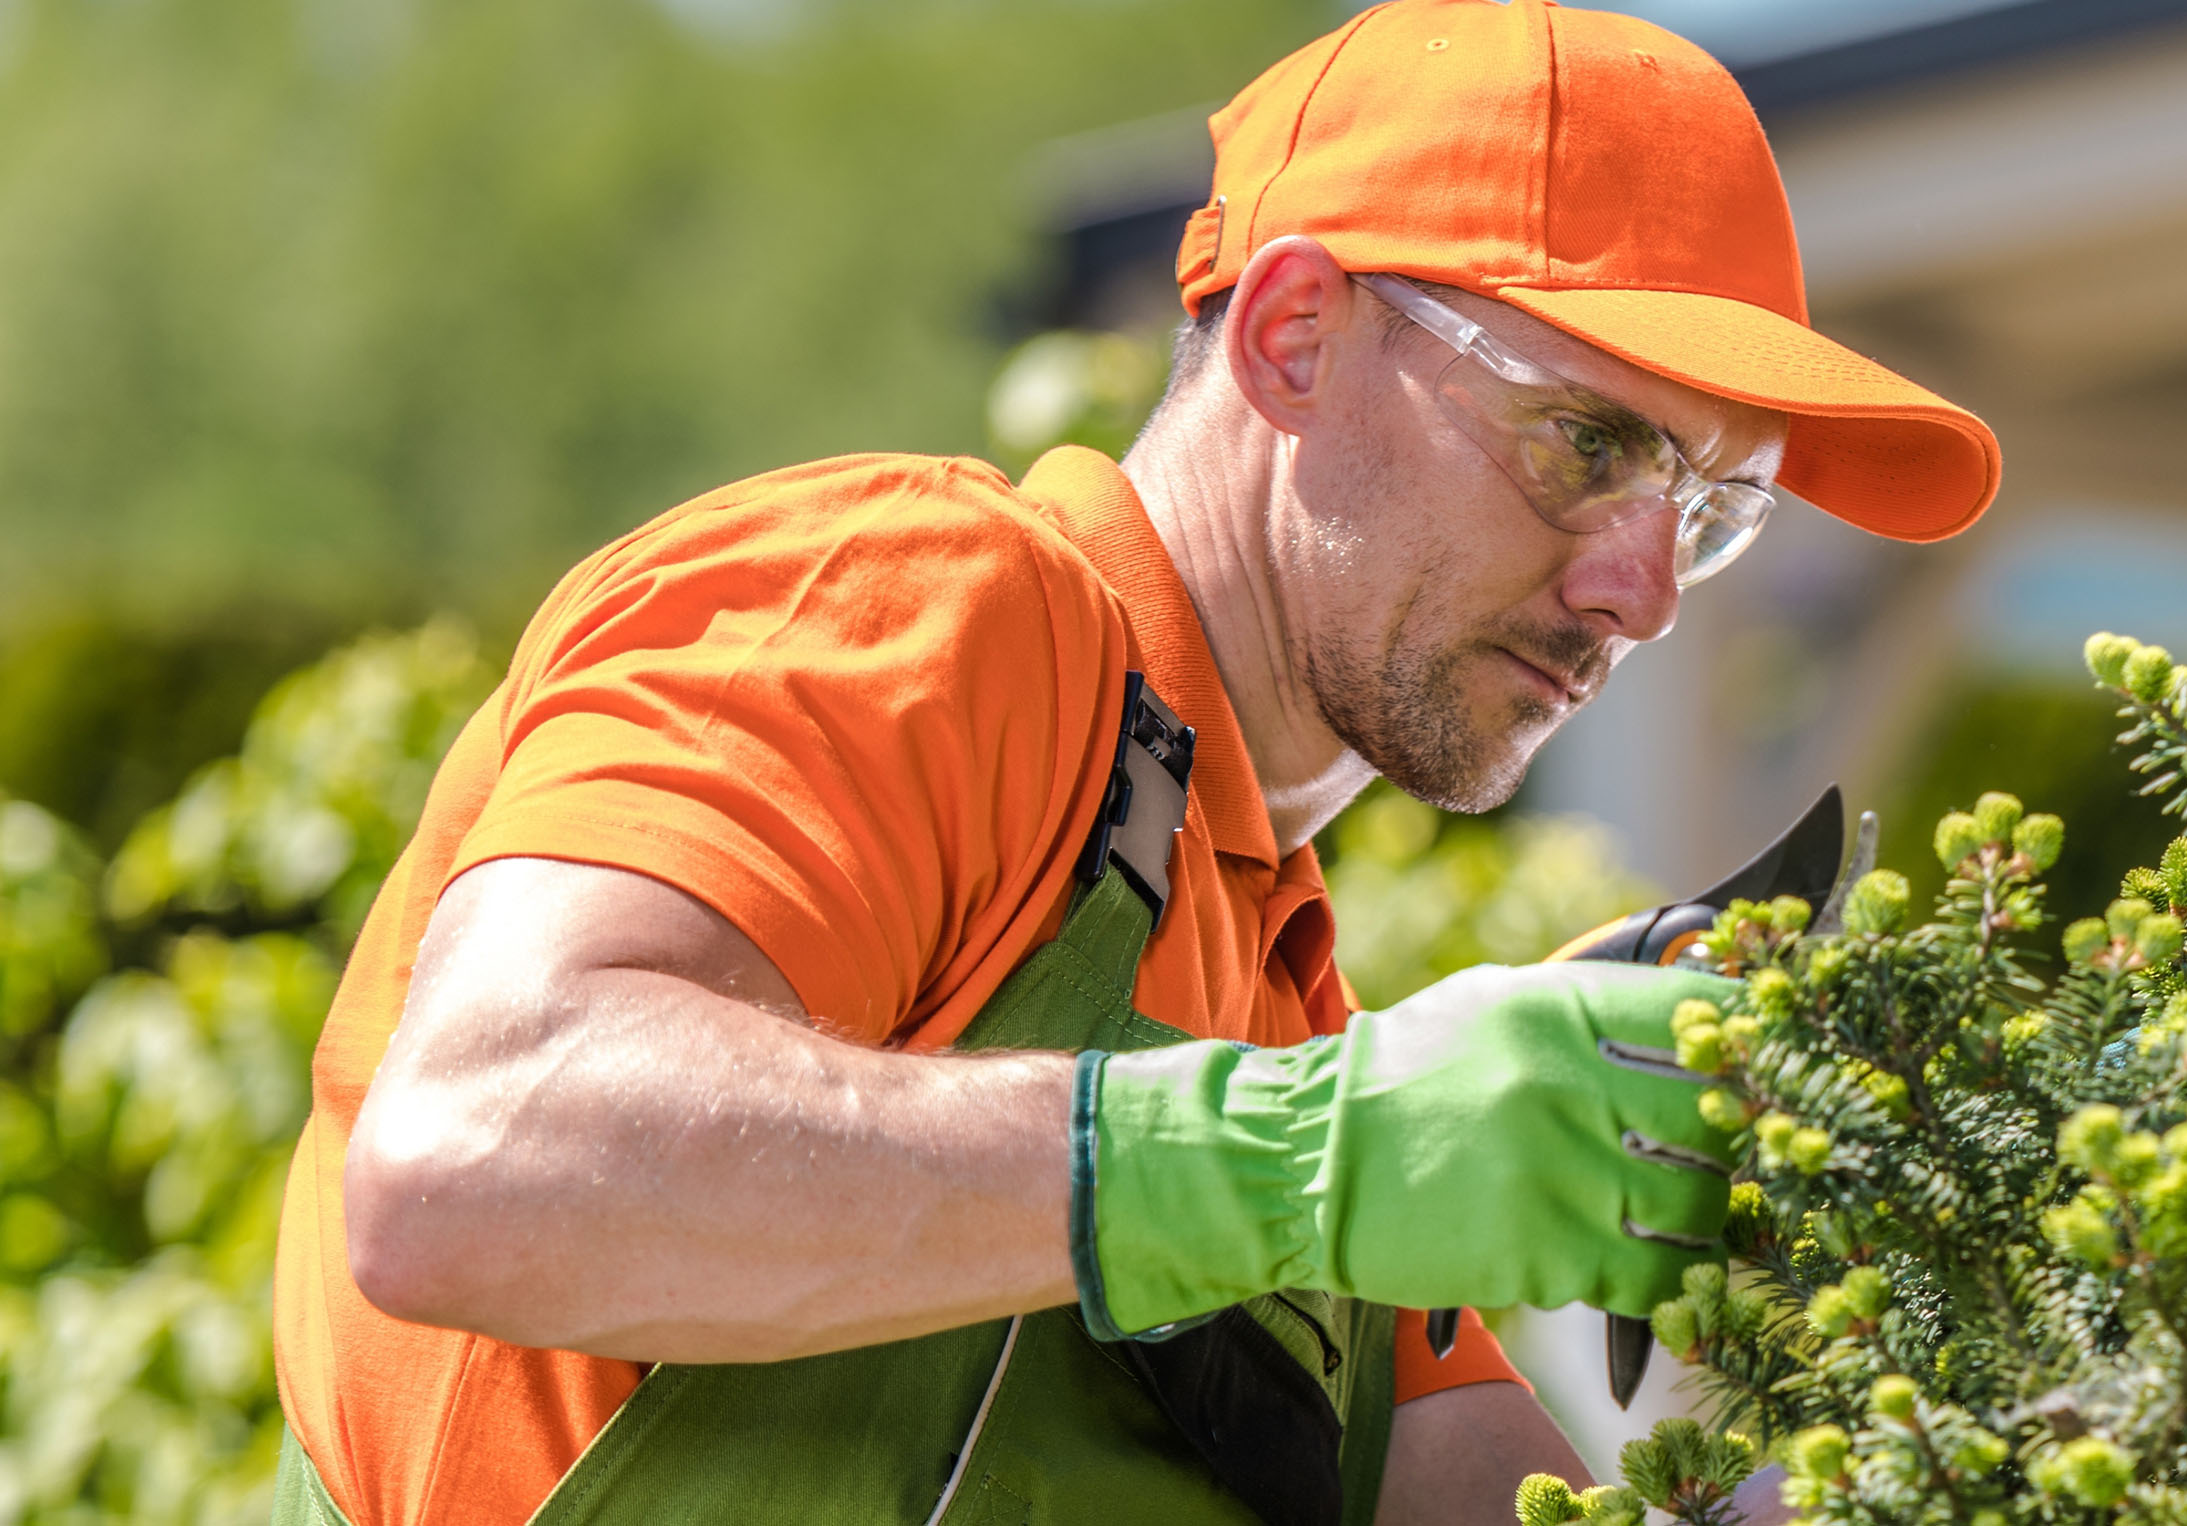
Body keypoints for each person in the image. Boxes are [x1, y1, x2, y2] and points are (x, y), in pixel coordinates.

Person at [262, 3, 2001, 1521]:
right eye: (1588, 440)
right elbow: (471, 1158)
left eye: (1709, 511)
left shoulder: (1287, 1000)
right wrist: (1285, 1160)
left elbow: (1467, 1494)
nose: (1640, 589)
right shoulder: (928, 605)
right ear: (1295, 333)